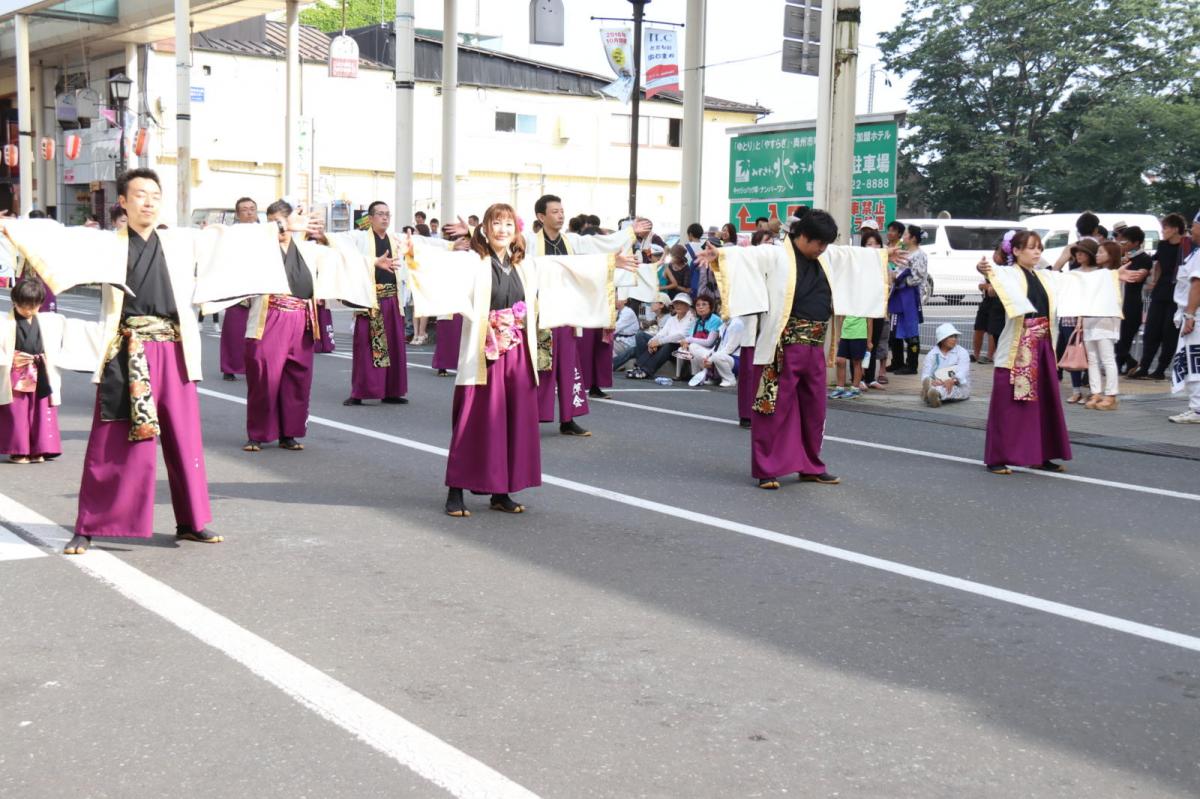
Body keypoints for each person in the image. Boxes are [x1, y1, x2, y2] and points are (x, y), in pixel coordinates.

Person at [0, 167, 297, 554]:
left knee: (184, 436)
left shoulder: (180, 242)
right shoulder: (107, 245)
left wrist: (276, 228)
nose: (149, 201)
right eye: (140, 194)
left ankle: (191, 521)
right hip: (128, 351)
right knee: (113, 439)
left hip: (175, 349)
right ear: (122, 201)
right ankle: (88, 525)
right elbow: (58, 237)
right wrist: (13, 227)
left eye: (155, 195)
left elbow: (225, 239)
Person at [405, 202, 638, 517]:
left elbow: (564, 268)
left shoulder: (525, 265)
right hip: (483, 355)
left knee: (511, 422)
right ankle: (455, 491)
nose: (502, 230)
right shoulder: (474, 261)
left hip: (517, 351)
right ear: (485, 228)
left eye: (508, 225)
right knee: (473, 421)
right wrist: (413, 249)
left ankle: (501, 491)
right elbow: (442, 264)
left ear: (516, 231)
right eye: (496, 224)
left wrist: (610, 262)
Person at [695, 210, 889, 489]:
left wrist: (881, 257)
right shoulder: (774, 254)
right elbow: (745, 257)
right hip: (781, 348)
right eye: (819, 243)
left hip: (815, 345)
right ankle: (767, 468)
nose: (823, 249)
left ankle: (810, 464)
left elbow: (851, 256)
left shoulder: (825, 256)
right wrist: (721, 255)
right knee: (772, 407)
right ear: (804, 237)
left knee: (815, 409)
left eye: (825, 245)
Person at [978, 229, 1121, 475]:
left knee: (1044, 401)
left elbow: (1079, 280)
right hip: (1018, 346)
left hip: (1043, 346)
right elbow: (992, 271)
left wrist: (1111, 277)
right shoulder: (1010, 274)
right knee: (1009, 402)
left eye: (1039, 248)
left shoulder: (1045, 277)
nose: (1037, 252)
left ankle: (1040, 454)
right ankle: (997, 456)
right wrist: (985, 268)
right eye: (1031, 247)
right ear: (1016, 250)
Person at [242, 199, 372, 451]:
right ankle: (257, 433)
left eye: (281, 223)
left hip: (301, 317)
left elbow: (342, 259)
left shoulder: (308, 249)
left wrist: (372, 263)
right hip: (270, 317)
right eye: (272, 224)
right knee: (265, 376)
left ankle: (289, 432)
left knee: (297, 376)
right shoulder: (259, 247)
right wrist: (281, 229)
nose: (277, 229)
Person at [522, 194, 646, 434]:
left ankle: (568, 419)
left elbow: (600, 245)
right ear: (541, 216)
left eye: (561, 210)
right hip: (541, 314)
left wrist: (627, 235)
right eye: (554, 211)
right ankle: (533, 417)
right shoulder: (529, 241)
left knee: (569, 366)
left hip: (567, 313)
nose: (560, 215)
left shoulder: (573, 241)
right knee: (541, 366)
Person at [324, 201, 409, 406]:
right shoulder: (359, 237)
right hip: (370, 301)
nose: (385, 218)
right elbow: (339, 242)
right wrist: (322, 235)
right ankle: (361, 391)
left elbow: (422, 245)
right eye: (380, 214)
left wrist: (453, 245)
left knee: (393, 346)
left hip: (392, 300)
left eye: (388, 214)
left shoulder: (396, 239)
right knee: (366, 346)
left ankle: (391, 390)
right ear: (370, 218)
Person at [0, 279, 94, 463]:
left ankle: (39, 449)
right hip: (15, 372)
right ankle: (19, 450)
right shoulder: (4, 323)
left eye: (34, 307)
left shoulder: (50, 322)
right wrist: (9, 359)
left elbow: (74, 330)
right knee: (17, 411)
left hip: (40, 370)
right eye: (24, 306)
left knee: (41, 410)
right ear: (15, 302)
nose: (29, 311)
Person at [1130, 213, 1191, 380]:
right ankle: (1144, 366)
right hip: (1161, 290)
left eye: (1166, 228)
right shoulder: (1163, 245)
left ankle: (1161, 369)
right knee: (1152, 329)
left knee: (1169, 331)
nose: (1163, 231)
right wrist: (1155, 281)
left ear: (1176, 229)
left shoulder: (1187, 246)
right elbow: (1157, 265)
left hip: (1178, 291)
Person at [219, 197, 259, 380]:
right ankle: (230, 365)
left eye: (252, 208)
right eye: (244, 209)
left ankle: (256, 365)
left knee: (259, 329)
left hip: (260, 284)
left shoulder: (264, 231)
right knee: (234, 328)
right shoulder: (230, 233)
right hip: (237, 285)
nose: (249, 212)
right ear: (237, 214)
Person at [1081, 241, 1123, 410]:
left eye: (1101, 252)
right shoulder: (1096, 273)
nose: (1097, 255)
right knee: (1091, 359)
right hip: (1089, 320)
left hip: (1106, 320)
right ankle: (1096, 392)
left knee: (1107, 359)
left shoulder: (1115, 274)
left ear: (1111, 255)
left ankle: (1111, 395)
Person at [1167, 210, 1200, 423]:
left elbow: (1197, 285)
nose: (1191, 230)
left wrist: (1189, 315)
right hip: (1193, 314)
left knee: (1194, 361)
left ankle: (1197, 408)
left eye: (1194, 226)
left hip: (1195, 316)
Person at [1057, 238, 1096, 404]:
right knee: (1074, 354)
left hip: (1090, 318)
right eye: (1077, 252)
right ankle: (1076, 390)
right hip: (1069, 317)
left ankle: (1093, 391)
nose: (1079, 255)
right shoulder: (1072, 273)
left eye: (1082, 252)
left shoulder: (1098, 273)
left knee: (1091, 356)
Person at [888, 224, 927, 374]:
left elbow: (918, 277)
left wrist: (901, 280)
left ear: (913, 238)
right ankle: (897, 361)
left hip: (911, 295)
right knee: (895, 328)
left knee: (911, 330)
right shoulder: (905, 252)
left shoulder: (920, 255)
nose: (903, 237)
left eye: (906, 235)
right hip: (899, 293)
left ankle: (912, 364)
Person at [626, 294, 695, 379]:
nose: (678, 305)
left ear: (688, 306)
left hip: (680, 350)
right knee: (643, 336)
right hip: (666, 346)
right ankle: (639, 367)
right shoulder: (672, 319)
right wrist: (652, 342)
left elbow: (680, 335)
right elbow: (662, 333)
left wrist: (659, 342)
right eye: (676, 303)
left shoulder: (691, 319)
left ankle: (646, 370)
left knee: (669, 344)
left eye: (682, 303)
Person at [1114, 225, 1151, 373]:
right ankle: (1126, 363)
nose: (1123, 245)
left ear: (1136, 243)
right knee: (1118, 337)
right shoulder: (1122, 259)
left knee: (1124, 337)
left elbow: (1137, 278)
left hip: (1132, 303)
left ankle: (1126, 362)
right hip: (1119, 301)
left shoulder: (1144, 259)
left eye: (1126, 242)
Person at [859, 228, 890, 389]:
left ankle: (870, 378)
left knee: (874, 343)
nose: (873, 246)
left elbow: (888, 285)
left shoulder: (883, 264)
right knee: (861, 342)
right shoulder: (859, 264)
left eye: (876, 243)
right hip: (863, 309)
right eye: (869, 244)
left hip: (878, 308)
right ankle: (859, 378)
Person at [920, 322, 971, 407]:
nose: (954, 339)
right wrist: (932, 381)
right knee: (935, 386)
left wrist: (953, 380)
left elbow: (963, 371)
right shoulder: (931, 354)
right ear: (942, 339)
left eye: (955, 336)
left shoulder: (962, 352)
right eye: (951, 337)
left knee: (950, 389)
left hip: (959, 384)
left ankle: (933, 395)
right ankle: (932, 393)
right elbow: (925, 374)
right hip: (939, 382)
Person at [680, 294, 722, 385]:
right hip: (701, 350)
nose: (700, 307)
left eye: (704, 304)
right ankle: (691, 375)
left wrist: (689, 340)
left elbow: (709, 342)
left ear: (710, 306)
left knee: (693, 346)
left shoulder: (715, 320)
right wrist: (686, 342)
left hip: (713, 351)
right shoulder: (697, 321)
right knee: (682, 349)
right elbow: (688, 337)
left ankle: (709, 374)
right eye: (698, 305)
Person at [829, 313, 871, 399]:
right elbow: (841, 318)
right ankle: (840, 388)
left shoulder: (866, 302)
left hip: (859, 335)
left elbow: (870, 322)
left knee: (856, 362)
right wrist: (840, 335)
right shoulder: (847, 302)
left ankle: (855, 390)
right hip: (845, 334)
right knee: (840, 361)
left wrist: (869, 340)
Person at [611, 297, 641, 369]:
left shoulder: (628, 312)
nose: (614, 299)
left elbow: (614, 329)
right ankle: (617, 362)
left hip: (627, 342)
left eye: (617, 298)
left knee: (605, 344)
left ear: (625, 301)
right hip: (619, 340)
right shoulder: (617, 311)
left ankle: (616, 363)